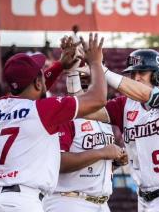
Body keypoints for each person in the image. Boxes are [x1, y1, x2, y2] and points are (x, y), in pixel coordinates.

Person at [0, 33, 107, 212]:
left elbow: (31, 88)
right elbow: (98, 99)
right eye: (40, 75)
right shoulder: (42, 110)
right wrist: (95, 62)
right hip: (22, 203)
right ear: (38, 82)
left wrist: (60, 65)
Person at [69, 46, 159, 211]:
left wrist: (101, 69)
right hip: (145, 200)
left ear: (158, 75)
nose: (136, 78)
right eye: (133, 73)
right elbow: (83, 109)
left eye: (142, 72)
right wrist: (72, 73)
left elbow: (150, 96)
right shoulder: (125, 105)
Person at [43, 64, 128, 212]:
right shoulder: (65, 113)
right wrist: (102, 153)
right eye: (85, 79)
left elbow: (92, 163)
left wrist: (115, 161)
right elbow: (58, 162)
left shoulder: (104, 116)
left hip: (101, 202)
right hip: (69, 201)